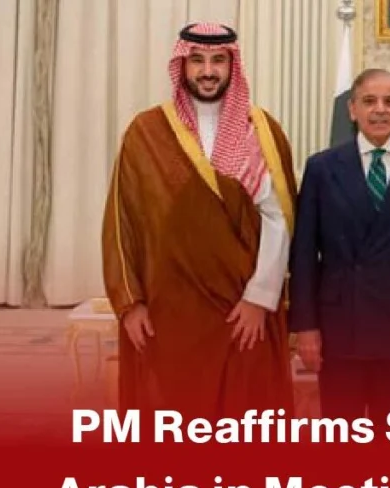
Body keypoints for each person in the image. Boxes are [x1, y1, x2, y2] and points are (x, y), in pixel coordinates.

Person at [101, 23, 298, 420]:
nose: (208, 71)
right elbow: (123, 223)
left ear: (232, 66)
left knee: (246, 420)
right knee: (173, 419)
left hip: (242, 311)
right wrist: (131, 303)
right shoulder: (146, 132)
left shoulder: (261, 130)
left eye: (218, 61)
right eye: (197, 60)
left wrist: (260, 298)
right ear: (182, 64)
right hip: (169, 313)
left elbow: (280, 220)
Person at [288, 69, 390, 427]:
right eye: (369, 101)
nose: (380, 110)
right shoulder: (321, 168)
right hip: (338, 329)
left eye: (389, 101)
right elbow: (303, 256)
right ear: (351, 110)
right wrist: (305, 327)